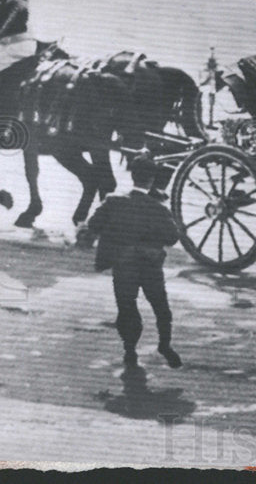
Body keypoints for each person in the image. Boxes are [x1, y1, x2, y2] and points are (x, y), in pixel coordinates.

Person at [87, 154, 182, 369]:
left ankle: (129, 350)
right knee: (161, 308)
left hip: (123, 265)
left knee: (127, 308)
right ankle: (164, 346)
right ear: (152, 179)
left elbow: (93, 225)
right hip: (150, 266)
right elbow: (173, 237)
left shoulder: (113, 201)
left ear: (132, 175)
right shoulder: (158, 208)